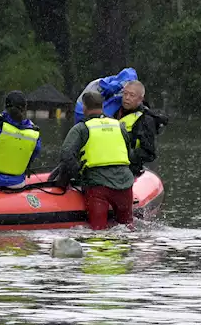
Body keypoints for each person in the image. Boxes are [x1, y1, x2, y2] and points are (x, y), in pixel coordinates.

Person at [53, 89, 136, 230]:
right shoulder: (119, 126)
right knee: (127, 227)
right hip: (124, 185)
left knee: (98, 232)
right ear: (102, 107)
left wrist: (77, 175)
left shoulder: (81, 128)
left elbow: (66, 155)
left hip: (98, 187)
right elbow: (128, 154)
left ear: (84, 107)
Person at [114, 79, 169, 177]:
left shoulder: (146, 120)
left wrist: (125, 155)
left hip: (129, 169)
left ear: (140, 99)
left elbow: (149, 153)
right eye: (125, 94)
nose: (127, 98)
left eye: (132, 95)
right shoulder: (116, 113)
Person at [73, 67, 138, 123]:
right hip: (88, 119)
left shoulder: (121, 84)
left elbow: (130, 73)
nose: (127, 97)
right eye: (126, 93)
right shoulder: (96, 87)